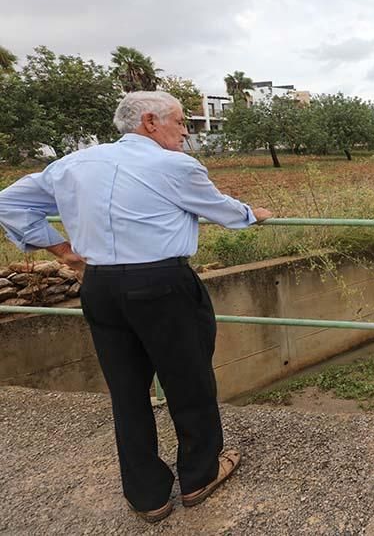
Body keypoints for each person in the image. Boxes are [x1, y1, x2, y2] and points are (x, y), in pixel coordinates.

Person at [0, 91, 274, 523]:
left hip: (101, 286)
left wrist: (62, 251)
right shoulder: (175, 166)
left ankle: (147, 496)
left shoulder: (72, 164)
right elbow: (221, 210)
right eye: (181, 122)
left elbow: (8, 202)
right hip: (162, 284)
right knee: (189, 381)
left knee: (127, 391)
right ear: (150, 121)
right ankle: (200, 476)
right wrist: (252, 213)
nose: (186, 132)